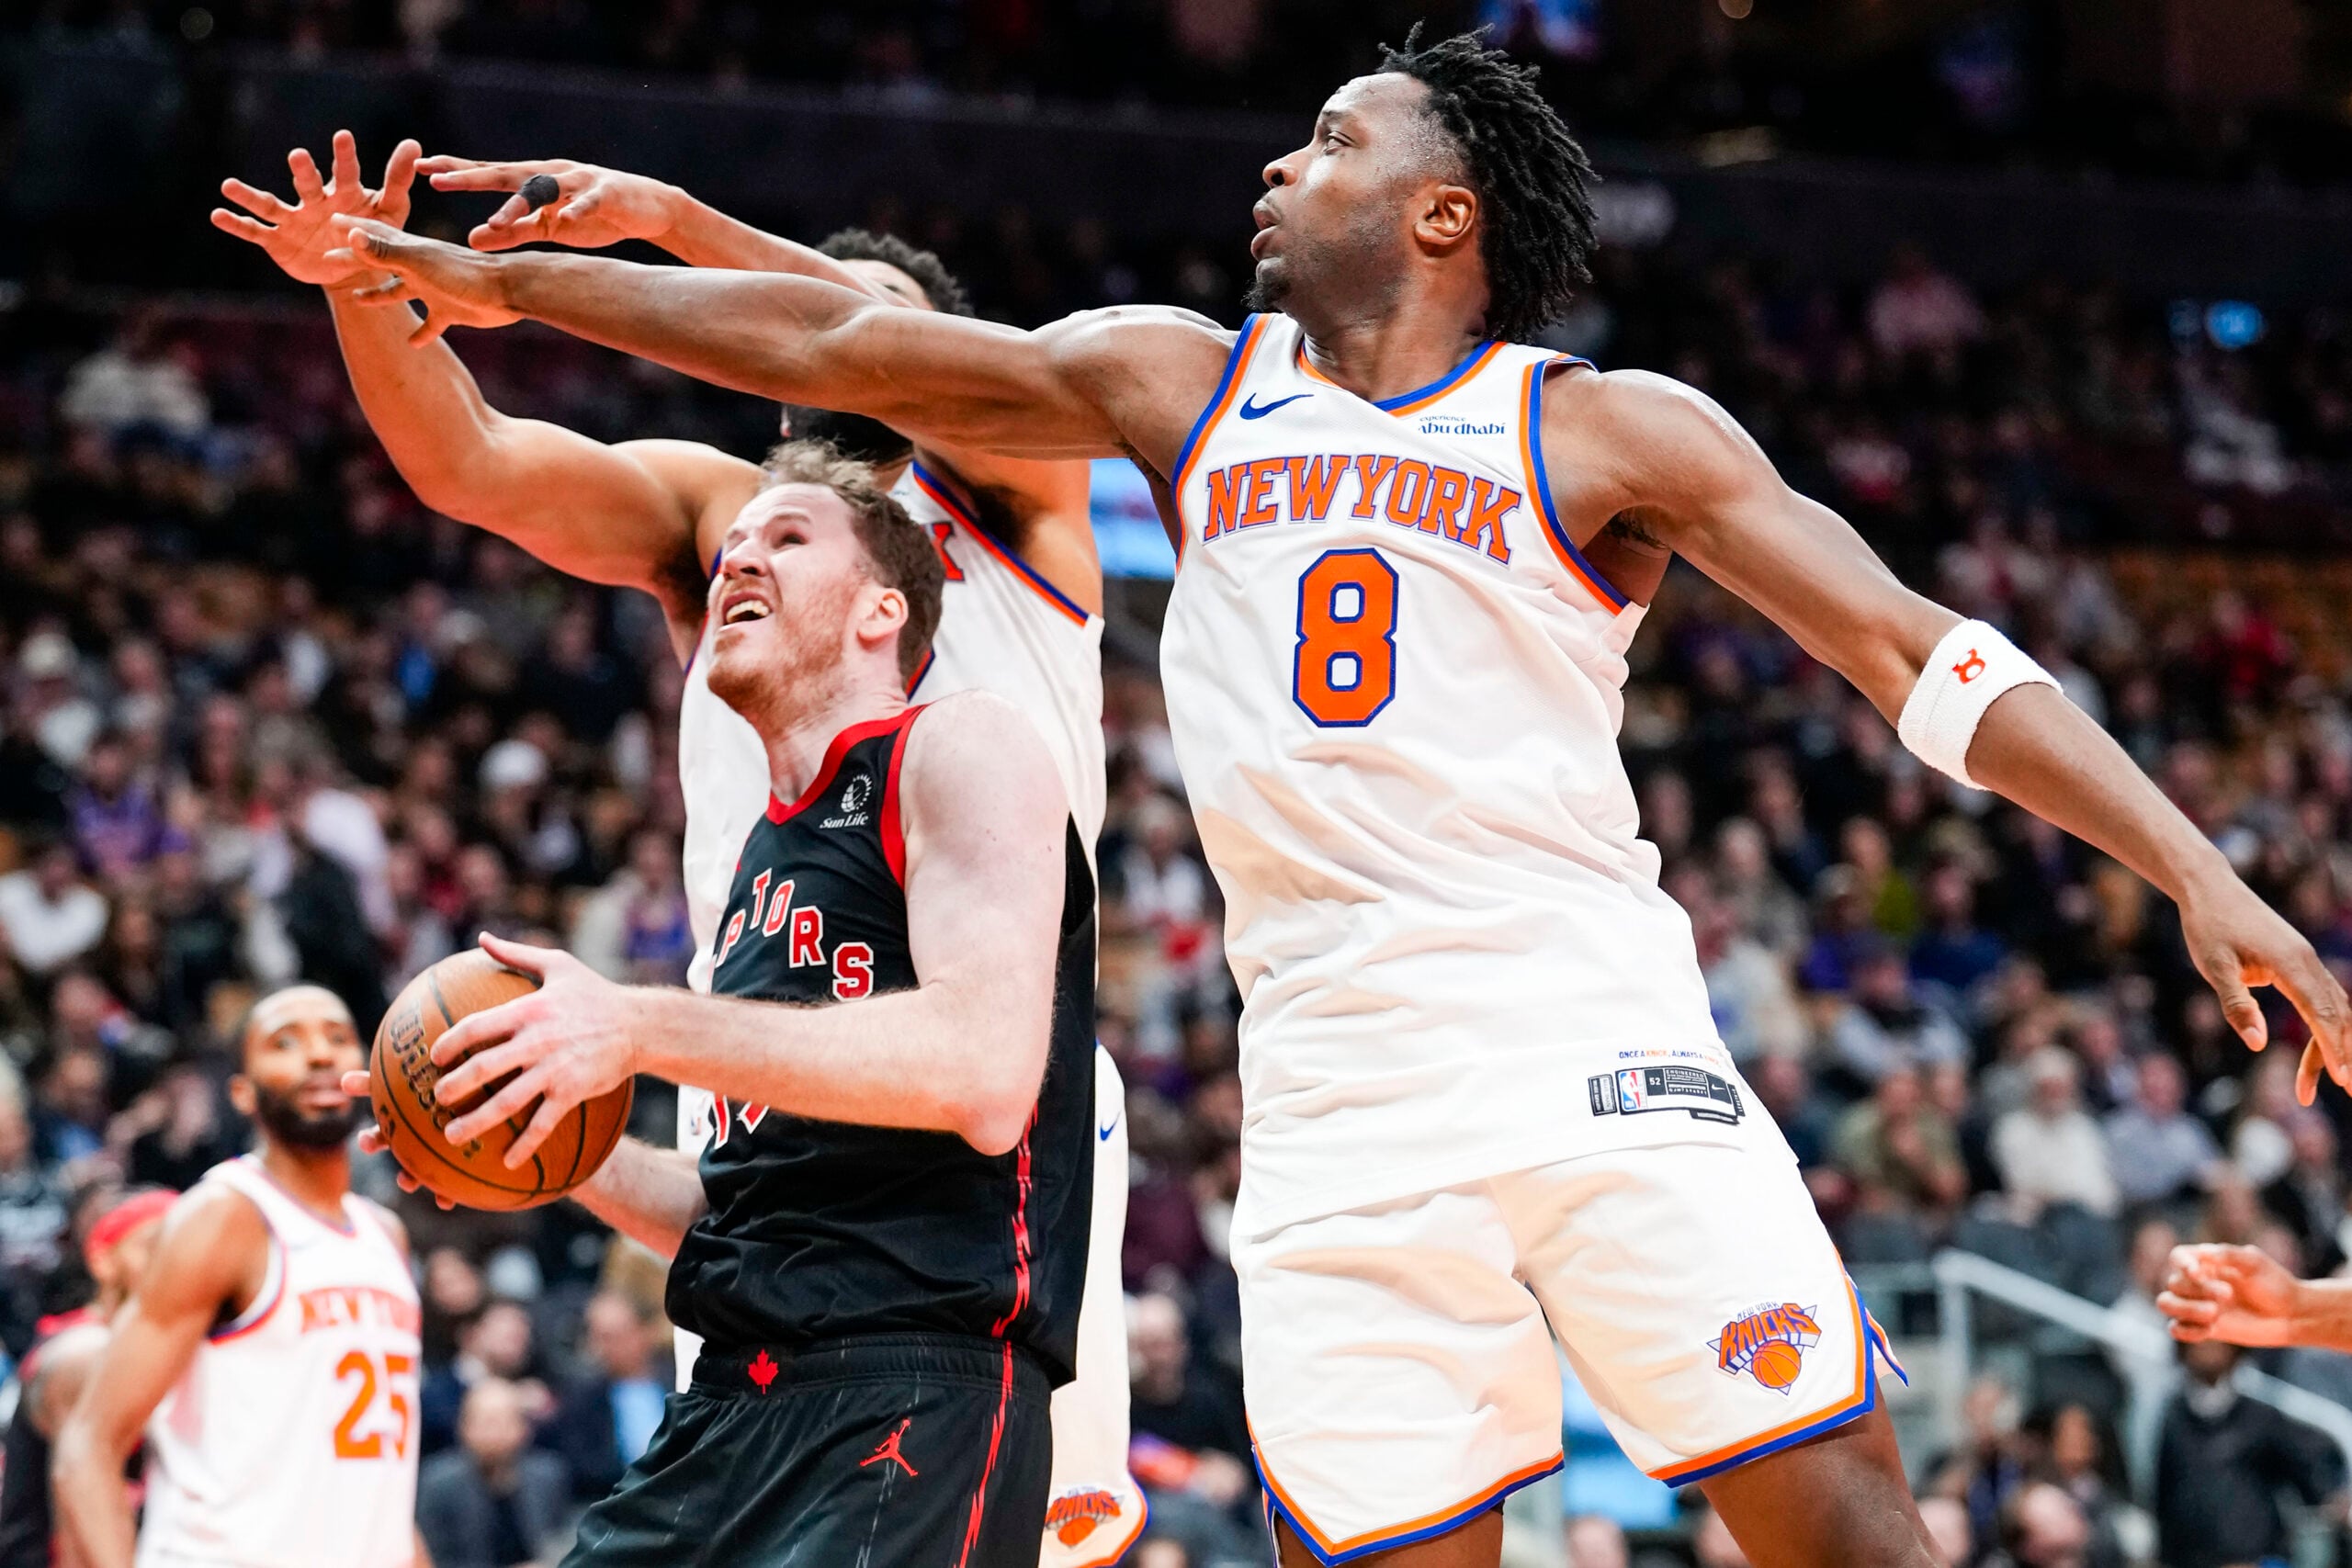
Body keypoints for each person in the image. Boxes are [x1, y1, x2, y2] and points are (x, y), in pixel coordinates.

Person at [331, 28, 2351, 1565]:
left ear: (1442, 210)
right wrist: (522, 293)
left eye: (1331, 142)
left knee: (1842, 1530)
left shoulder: (1597, 429)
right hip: (1325, 1114)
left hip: (1585, 1044)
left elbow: (1920, 650)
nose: (1276, 167)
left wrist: (2187, 861)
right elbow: (847, 339)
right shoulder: (1176, 381)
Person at [215, 131, 1143, 1568]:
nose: (825, 348)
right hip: (750, 1040)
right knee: (751, 1449)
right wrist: (360, 281)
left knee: (1032, 1521)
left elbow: (869, 346)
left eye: (856, 319)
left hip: (984, 1039)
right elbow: (467, 459)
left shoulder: (1018, 488)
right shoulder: (723, 523)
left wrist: (675, 223)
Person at [348, 451, 1093, 1563]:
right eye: (736, 541)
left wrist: (633, 1027)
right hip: (730, 1403)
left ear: (883, 608)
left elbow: (983, 1075)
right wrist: (536, 1133)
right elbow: (742, 1208)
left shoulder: (959, 745)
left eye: (788, 538)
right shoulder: (762, 868)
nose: (739, 553)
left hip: (910, 1391)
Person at [51, 986, 425, 1568]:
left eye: (338, 1037)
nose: (321, 1055)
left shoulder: (386, 1235)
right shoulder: (226, 1214)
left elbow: (380, 1483)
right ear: (242, 1092)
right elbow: (86, 1447)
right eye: (286, 1042)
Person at [0, 1188, 174, 1568]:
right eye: (152, 1245)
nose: (172, 1261)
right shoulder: (82, 1351)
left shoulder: (171, 1346)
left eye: (179, 1246)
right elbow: (76, 1517)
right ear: (103, 1261)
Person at [415, 1379, 570, 1568]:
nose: (493, 1433)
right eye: (483, 1422)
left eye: (502, 1422)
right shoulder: (439, 1483)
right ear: (462, 1427)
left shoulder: (548, 1475)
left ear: (524, 1428)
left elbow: (565, 1541)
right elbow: (433, 1558)